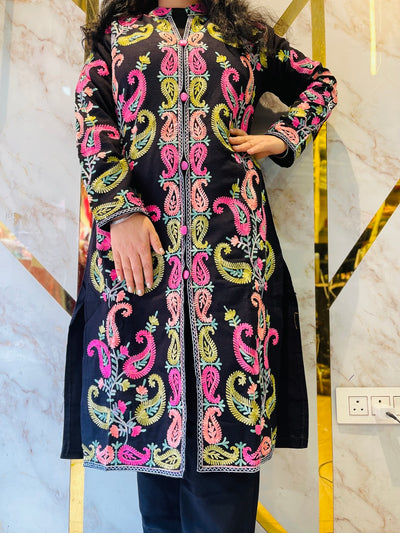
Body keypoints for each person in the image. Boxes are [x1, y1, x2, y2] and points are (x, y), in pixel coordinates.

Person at [61, 0, 337, 531]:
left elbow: (320, 85)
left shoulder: (245, 34)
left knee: (225, 452)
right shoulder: (118, 35)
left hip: (230, 256)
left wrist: (282, 135)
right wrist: (120, 211)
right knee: (153, 438)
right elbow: (92, 121)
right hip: (142, 258)